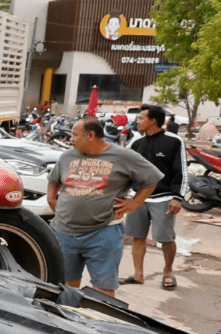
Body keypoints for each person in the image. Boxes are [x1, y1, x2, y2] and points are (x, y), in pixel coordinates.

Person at [46, 116, 165, 297]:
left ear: (90, 136)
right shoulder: (68, 156)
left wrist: (136, 202)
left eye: (75, 134)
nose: (70, 139)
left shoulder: (123, 156)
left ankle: (98, 316)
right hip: (64, 232)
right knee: (65, 285)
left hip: (102, 233)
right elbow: (54, 180)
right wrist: (51, 198)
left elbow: (151, 178)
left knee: (103, 289)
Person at [119, 105, 186, 289]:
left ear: (153, 121)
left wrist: (177, 197)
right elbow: (126, 170)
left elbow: (181, 171)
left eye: (141, 118)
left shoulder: (174, 141)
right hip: (138, 198)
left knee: (165, 238)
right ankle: (138, 274)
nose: (137, 121)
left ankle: (168, 272)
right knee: (137, 237)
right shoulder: (137, 143)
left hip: (163, 198)